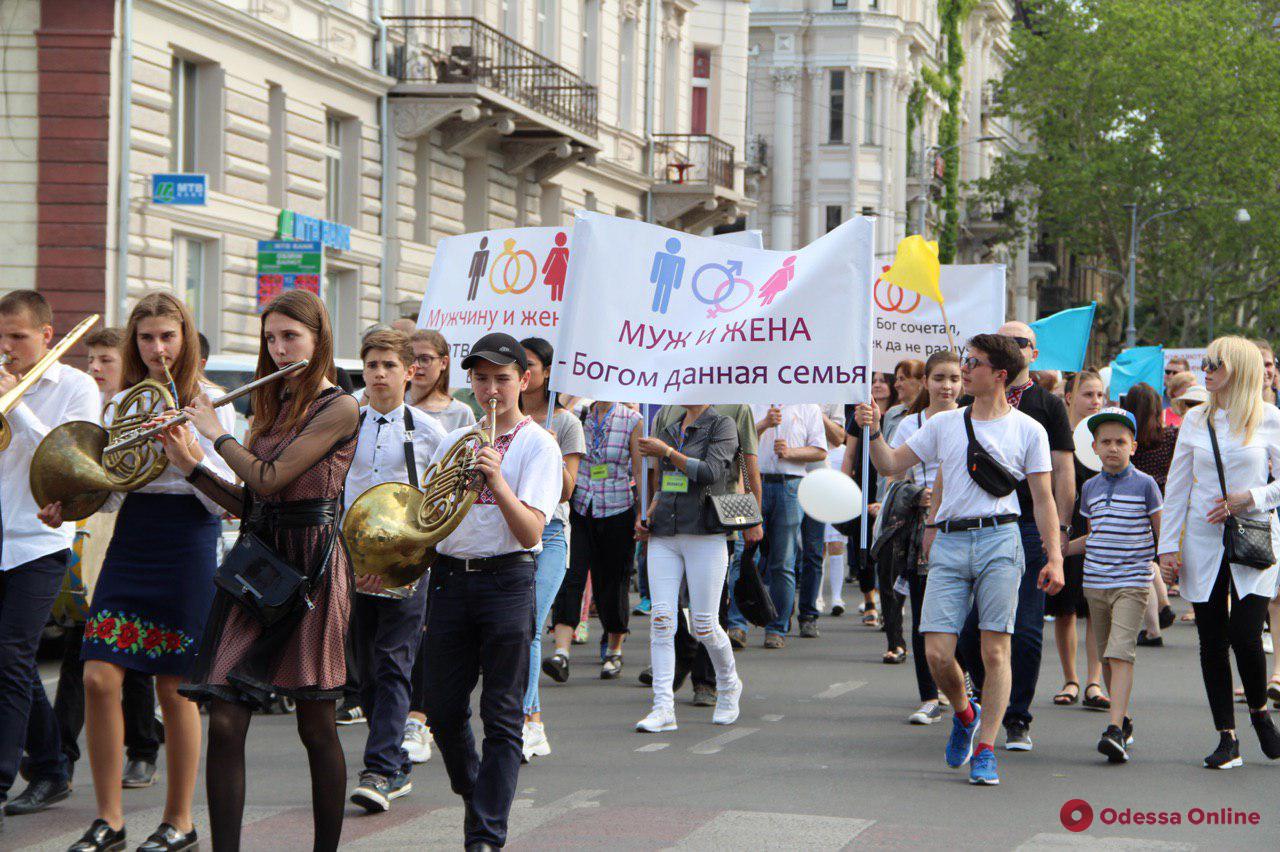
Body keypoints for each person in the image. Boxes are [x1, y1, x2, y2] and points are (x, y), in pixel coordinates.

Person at [158, 289, 360, 851]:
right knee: (224, 717)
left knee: (315, 724)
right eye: (270, 338)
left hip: (312, 565)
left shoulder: (338, 406)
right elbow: (255, 502)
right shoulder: (272, 404)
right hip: (259, 562)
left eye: (290, 337)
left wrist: (214, 431)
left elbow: (270, 477)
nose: (277, 349)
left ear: (318, 339)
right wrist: (192, 465)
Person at [37, 293, 233, 852]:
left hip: (188, 542)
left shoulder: (213, 401)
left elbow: (228, 499)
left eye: (167, 337)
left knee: (176, 690)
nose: (156, 349)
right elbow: (109, 488)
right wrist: (66, 500)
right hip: (134, 540)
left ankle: (180, 822)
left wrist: (189, 455)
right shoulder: (121, 401)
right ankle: (110, 820)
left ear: (185, 338)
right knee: (99, 675)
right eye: (146, 338)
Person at [857, 333, 1063, 786]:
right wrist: (871, 430)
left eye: (974, 363)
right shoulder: (945, 424)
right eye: (964, 361)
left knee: (995, 649)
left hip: (1001, 541)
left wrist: (1055, 557)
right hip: (949, 542)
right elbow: (891, 464)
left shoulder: (1030, 430)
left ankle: (986, 749)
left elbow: (1044, 500)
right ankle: (964, 713)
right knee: (936, 652)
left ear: (1000, 375)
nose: (965, 370)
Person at [417, 332, 561, 850]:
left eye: (502, 378)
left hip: (507, 578)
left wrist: (498, 482)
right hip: (452, 579)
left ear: (524, 380)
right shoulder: (459, 440)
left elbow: (530, 532)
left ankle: (485, 834)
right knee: (441, 707)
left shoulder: (538, 444)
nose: (492, 389)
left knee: (500, 713)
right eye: (481, 379)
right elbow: (432, 518)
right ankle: (477, 791)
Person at [40, 328, 163, 793]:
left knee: (133, 651)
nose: (94, 368)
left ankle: (143, 749)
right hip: (90, 536)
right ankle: (61, 759)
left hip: (129, 539)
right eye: (90, 359)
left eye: (105, 359)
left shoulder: (136, 407)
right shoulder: (96, 409)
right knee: (82, 653)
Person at [1157, 337, 1280, 769]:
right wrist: (1167, 546)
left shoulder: (1268, 418)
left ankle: (1260, 713)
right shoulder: (1195, 421)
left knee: (1246, 634)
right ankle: (1226, 737)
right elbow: (1177, 487)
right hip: (1203, 540)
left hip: (1254, 537)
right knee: (1211, 639)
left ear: (1240, 370)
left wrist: (1255, 496)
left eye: (1215, 364)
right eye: (1204, 362)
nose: (1205, 369)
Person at [0, 291, 99, 822]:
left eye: (17, 336)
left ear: (45, 334)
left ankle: (2, 775)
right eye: (1, 337)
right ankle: (53, 767)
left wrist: (17, 406)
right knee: (10, 663)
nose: (7, 348)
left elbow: (70, 463)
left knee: (12, 655)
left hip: (40, 540)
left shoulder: (76, 387)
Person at [955, 322, 1075, 753]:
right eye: (1003, 340)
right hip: (973, 528)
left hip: (1027, 528)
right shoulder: (970, 400)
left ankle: (1017, 716)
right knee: (967, 632)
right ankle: (990, 698)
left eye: (1020, 342)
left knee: (1022, 628)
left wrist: (1058, 535)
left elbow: (1062, 472)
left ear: (1033, 353)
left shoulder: (1047, 405)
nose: (1011, 347)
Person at [344, 330, 446, 813]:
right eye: (372, 366)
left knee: (392, 662)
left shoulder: (429, 431)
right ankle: (396, 764)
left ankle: (381, 768)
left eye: (388, 365)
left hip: (406, 566)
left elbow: (443, 503)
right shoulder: (346, 424)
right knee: (363, 671)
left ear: (410, 372)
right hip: (350, 561)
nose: (379, 374)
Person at [635, 403, 743, 732]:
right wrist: (649, 513)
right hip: (665, 533)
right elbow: (664, 481)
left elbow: (710, 472)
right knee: (662, 618)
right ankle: (662, 706)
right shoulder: (669, 424)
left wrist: (667, 451)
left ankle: (729, 685)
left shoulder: (722, 425)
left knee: (705, 624)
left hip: (705, 532)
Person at [1064, 407, 1162, 763]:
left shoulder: (1146, 485)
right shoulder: (1089, 488)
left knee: (1121, 652)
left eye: (1121, 441)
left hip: (1133, 582)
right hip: (1096, 582)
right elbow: (1092, 537)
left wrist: (1166, 564)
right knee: (1107, 655)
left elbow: (1159, 530)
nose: (1113, 448)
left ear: (1133, 446)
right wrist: (1059, 552)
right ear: (1094, 447)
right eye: (1105, 442)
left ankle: (1114, 730)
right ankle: (1123, 718)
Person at [884, 351, 961, 723]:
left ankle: (961, 684)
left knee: (964, 615)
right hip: (920, 532)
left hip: (964, 527)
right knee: (923, 615)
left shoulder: (973, 420)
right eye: (939, 378)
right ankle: (929, 695)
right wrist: (918, 496)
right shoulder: (909, 424)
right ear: (926, 382)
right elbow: (892, 476)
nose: (947, 386)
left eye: (954, 379)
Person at [517, 336, 584, 763]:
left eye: (529, 366)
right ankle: (519, 717)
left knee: (529, 625)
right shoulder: (497, 418)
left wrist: (545, 443)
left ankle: (532, 722)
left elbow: (568, 489)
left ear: (546, 373)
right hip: (507, 535)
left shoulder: (564, 423)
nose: (522, 374)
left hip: (552, 534)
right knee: (511, 632)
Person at [547, 400, 642, 682]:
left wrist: (641, 512)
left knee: (612, 581)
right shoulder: (579, 415)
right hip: (581, 507)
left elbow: (637, 469)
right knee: (571, 577)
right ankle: (561, 652)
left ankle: (614, 649)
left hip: (617, 508)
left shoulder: (632, 419)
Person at [740, 403, 826, 648]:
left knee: (783, 560)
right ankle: (737, 625)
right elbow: (737, 443)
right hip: (752, 481)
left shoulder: (808, 406)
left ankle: (776, 627)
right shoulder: (751, 402)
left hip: (790, 484)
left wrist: (791, 453)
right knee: (743, 557)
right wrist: (764, 424)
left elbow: (820, 451)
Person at [1046, 371, 1106, 711]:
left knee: (1096, 607)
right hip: (1066, 525)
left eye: (1099, 395)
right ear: (1069, 396)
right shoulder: (1058, 435)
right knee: (1065, 607)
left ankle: (1094, 681)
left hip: (1100, 528)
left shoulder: (1108, 435)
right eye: (1088, 394)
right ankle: (1071, 678)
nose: (1095, 401)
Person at [1120, 383, 1179, 645]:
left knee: (1141, 564)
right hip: (1163, 503)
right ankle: (1164, 604)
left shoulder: (1127, 439)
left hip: (1134, 504)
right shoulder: (1169, 437)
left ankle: (1153, 628)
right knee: (1151, 559)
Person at [794, 405, 847, 638]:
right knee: (783, 553)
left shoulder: (830, 392)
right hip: (784, 474)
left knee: (814, 551)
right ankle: (782, 612)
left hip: (816, 479)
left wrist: (816, 410)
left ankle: (808, 614)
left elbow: (837, 438)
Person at [408, 329, 477, 432]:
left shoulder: (461, 412)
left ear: (443, 363)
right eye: (411, 358)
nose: (417, 365)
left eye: (425, 359)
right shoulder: (394, 404)